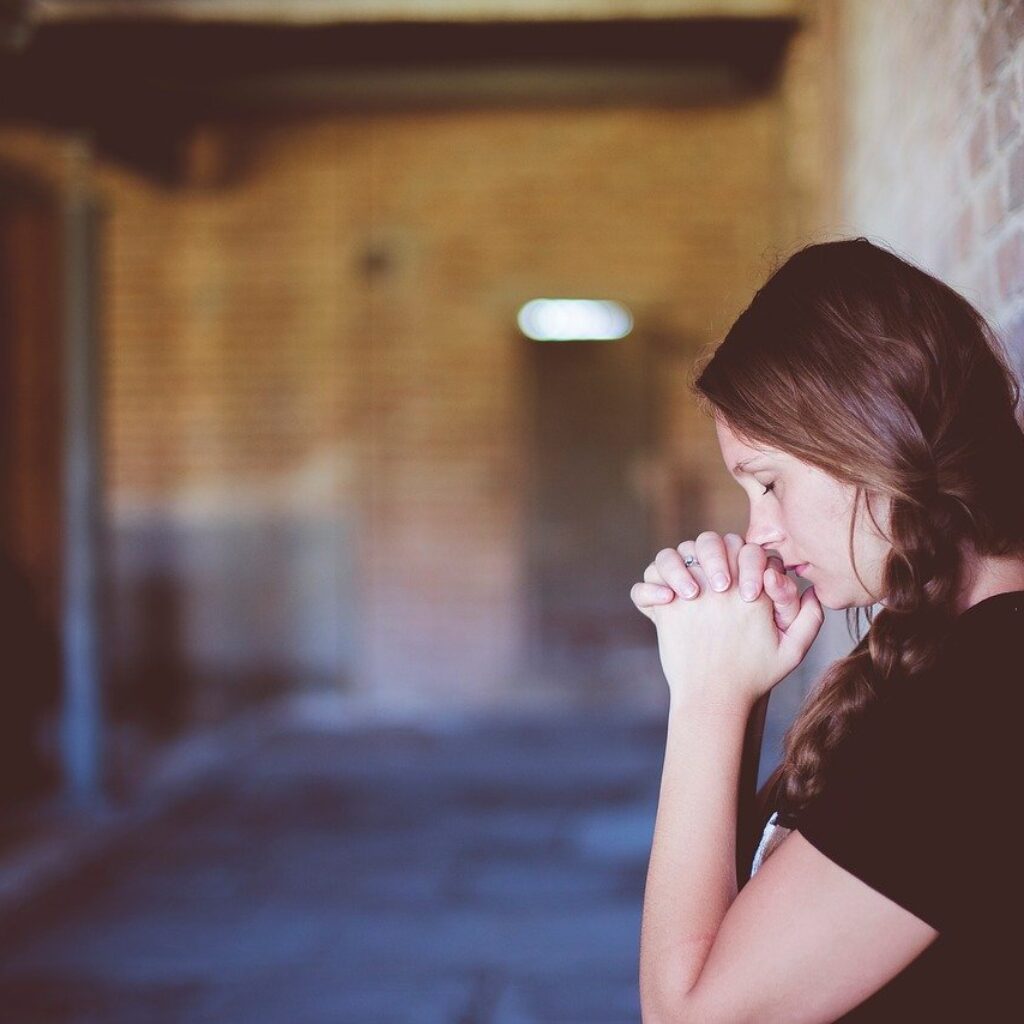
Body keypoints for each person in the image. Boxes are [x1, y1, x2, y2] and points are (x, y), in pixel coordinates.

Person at [629, 236, 1024, 1023]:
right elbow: (742, 927)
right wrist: (735, 693)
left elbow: (695, 1017)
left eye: (768, 482)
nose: (760, 531)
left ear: (869, 438)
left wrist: (706, 698)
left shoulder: (988, 701)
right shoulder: (945, 662)